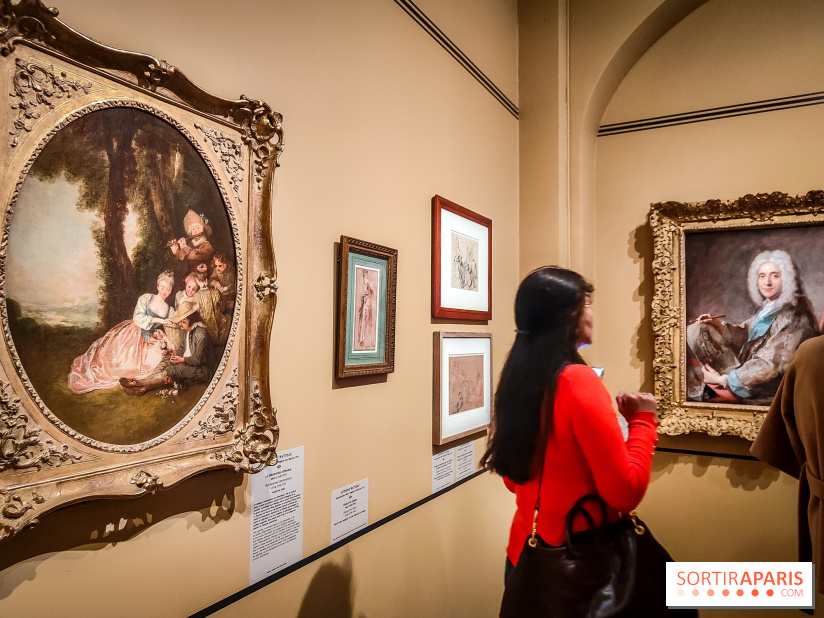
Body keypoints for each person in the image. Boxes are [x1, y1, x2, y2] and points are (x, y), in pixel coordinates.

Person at [479, 267, 658, 587]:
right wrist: (643, 421)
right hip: (577, 567)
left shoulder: (518, 376)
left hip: (527, 557)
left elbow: (514, 479)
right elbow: (625, 492)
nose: (591, 315)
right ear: (568, 317)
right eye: (586, 304)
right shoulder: (578, 380)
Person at [687, 249, 819, 404]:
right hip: (747, 379)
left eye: (775, 276)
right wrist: (718, 326)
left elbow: (770, 364)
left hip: (771, 389)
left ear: (787, 279)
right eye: (762, 276)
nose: (767, 282)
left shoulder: (795, 317)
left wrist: (724, 379)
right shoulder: (768, 309)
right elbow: (746, 334)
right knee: (698, 330)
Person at [68, 271, 175, 394]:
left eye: (168, 289)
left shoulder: (169, 310)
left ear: (171, 290)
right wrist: (159, 320)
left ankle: (142, 383)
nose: (164, 292)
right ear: (157, 286)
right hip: (133, 332)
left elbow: (173, 321)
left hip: (149, 337)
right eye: (162, 288)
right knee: (116, 361)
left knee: (156, 359)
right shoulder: (146, 298)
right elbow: (138, 317)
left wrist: (162, 332)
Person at [121, 304, 213, 395]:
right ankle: (143, 386)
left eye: (183, 322)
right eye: (180, 321)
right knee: (163, 363)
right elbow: (182, 349)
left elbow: (198, 360)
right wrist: (172, 353)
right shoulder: (186, 331)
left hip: (200, 370)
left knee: (171, 370)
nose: (180, 324)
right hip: (187, 362)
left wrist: (181, 360)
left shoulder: (201, 333)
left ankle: (137, 384)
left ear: (191, 320)